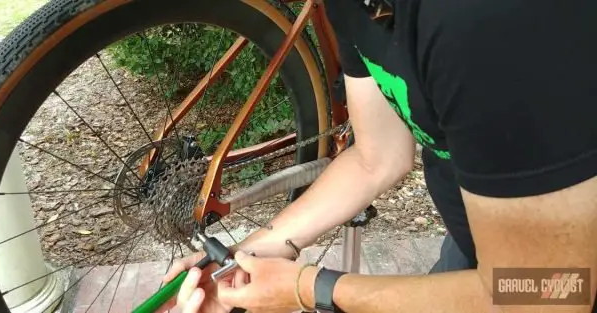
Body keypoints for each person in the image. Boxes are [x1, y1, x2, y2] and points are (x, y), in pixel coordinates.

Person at [161, 0, 597, 312]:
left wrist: (308, 288)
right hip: (486, 247)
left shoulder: (484, 23)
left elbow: (549, 293)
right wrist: (246, 254)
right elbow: (377, 155)